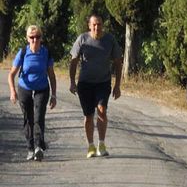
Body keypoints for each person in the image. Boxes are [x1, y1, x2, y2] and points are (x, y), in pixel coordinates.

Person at [69, 14, 122, 158]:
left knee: (102, 110)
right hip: (85, 84)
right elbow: (73, 61)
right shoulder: (82, 39)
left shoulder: (109, 40)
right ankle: (91, 146)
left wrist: (117, 85)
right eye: (94, 24)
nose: (97, 27)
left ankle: (102, 143)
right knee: (88, 115)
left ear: (102, 25)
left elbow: (118, 62)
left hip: (103, 83)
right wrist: (72, 82)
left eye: (99, 24)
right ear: (89, 26)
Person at [8, 25, 57, 162]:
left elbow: (52, 76)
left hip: (42, 88)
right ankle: (30, 148)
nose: (35, 40)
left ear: (41, 38)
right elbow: (11, 75)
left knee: (38, 116)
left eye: (37, 37)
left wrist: (53, 95)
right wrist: (12, 91)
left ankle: (38, 148)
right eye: (32, 37)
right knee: (28, 118)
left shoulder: (46, 52)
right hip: (25, 87)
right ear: (27, 38)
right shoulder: (23, 52)